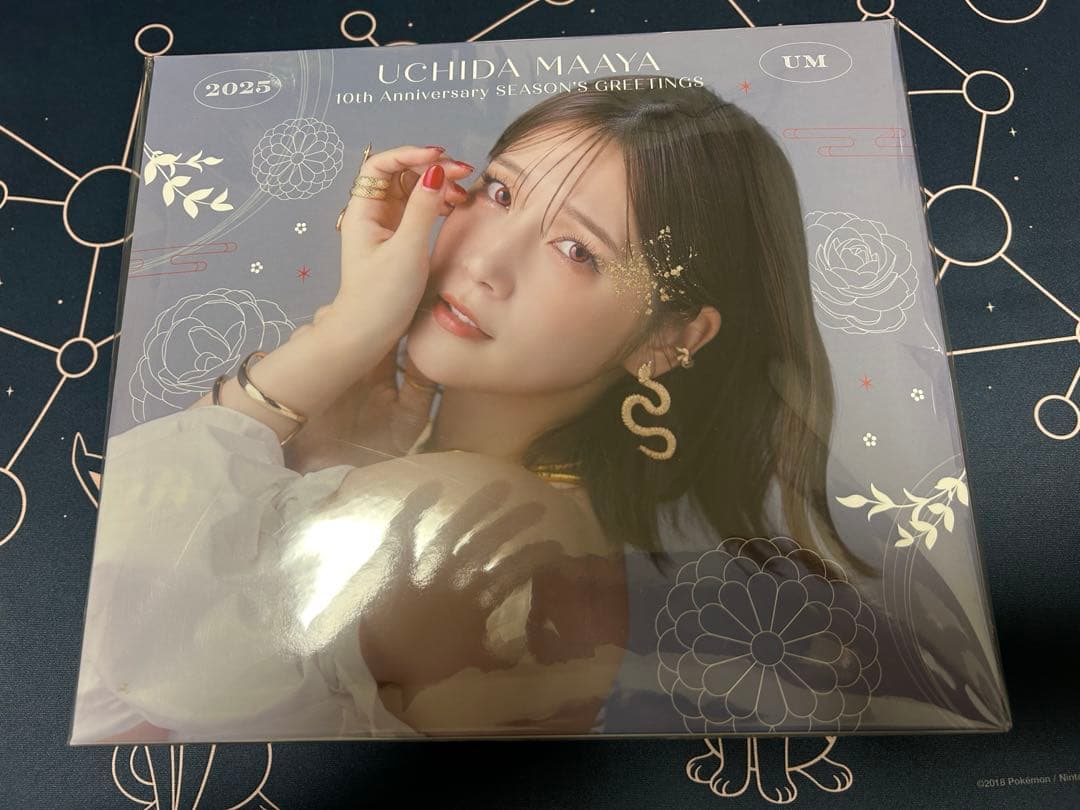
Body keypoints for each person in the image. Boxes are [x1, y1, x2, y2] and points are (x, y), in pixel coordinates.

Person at [71, 76, 865, 744]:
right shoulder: (448, 485)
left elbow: (98, 624)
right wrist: (332, 461)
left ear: (670, 337)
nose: (485, 261)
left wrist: (334, 337)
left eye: (578, 251)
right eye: (499, 192)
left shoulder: (494, 532)